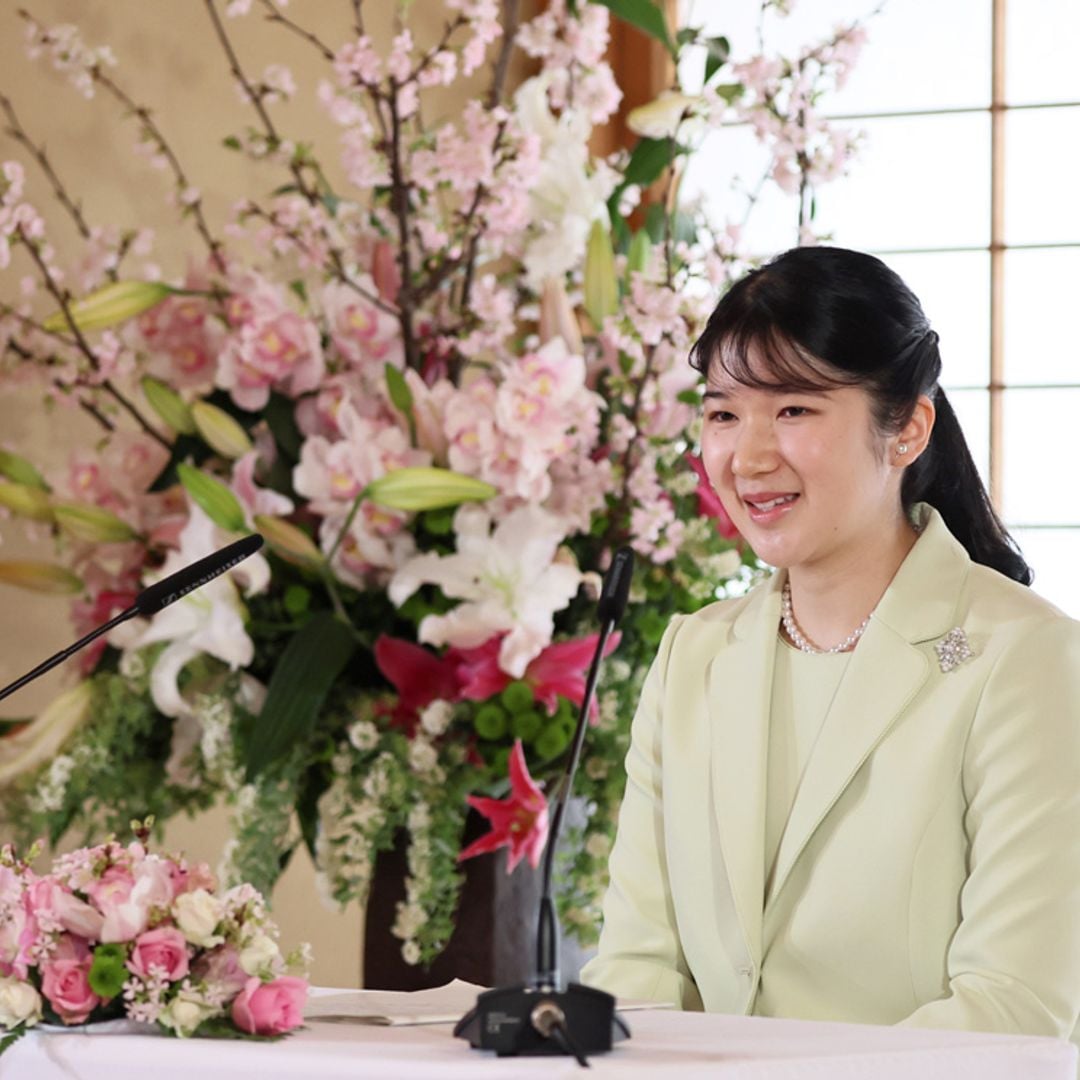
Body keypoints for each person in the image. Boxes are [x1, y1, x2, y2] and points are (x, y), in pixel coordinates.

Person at [580, 246, 1080, 1046]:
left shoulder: (1025, 659)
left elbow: (1014, 1008)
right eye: (722, 413)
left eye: (794, 411)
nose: (747, 457)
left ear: (909, 427)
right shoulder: (692, 659)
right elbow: (636, 972)